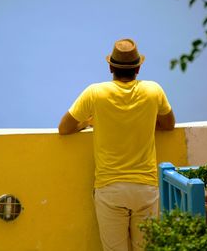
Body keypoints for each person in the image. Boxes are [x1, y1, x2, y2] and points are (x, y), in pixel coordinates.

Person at [58, 38, 175, 251]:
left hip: (109, 188)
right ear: (138, 68)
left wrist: (88, 122)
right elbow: (169, 124)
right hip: (145, 187)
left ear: (110, 66)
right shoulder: (153, 90)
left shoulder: (95, 93)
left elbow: (64, 128)